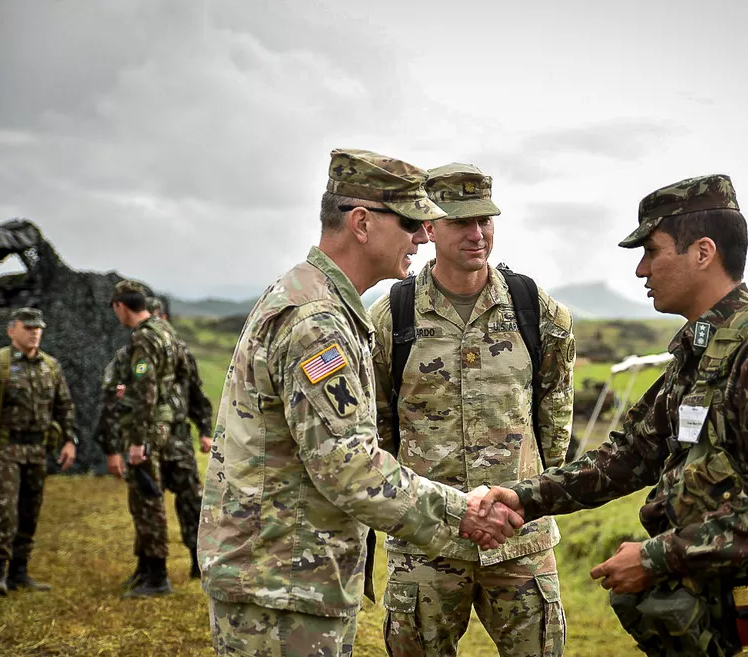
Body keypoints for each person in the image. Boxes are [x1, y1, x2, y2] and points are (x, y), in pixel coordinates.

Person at [476, 174, 748, 656]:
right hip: (707, 621)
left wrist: (653, 558)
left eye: (652, 251)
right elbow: (627, 455)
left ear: (703, 252)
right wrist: (526, 498)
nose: (641, 270)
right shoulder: (703, 354)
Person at [198, 148, 525, 657]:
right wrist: (462, 513)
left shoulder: (320, 302)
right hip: (283, 584)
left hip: (287, 572)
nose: (423, 236)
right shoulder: (317, 323)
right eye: (413, 221)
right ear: (362, 223)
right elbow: (351, 468)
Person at [369, 163, 575, 656]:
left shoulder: (534, 308)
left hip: (519, 534)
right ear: (429, 227)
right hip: (427, 538)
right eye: (461, 221)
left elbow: (555, 414)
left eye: (485, 219)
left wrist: (536, 496)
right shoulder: (391, 316)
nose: (477, 233)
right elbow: (377, 429)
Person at [0, 307, 77, 594]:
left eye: (38, 328)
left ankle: (20, 571)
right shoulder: (2, 363)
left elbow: (64, 405)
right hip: (6, 448)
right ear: (11, 331)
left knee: (30, 511)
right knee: (4, 511)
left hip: (37, 449)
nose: (34, 332)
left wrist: (69, 440)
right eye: (27, 327)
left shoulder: (50, 366)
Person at [109, 280, 179, 598]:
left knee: (148, 500)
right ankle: (145, 568)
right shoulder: (163, 330)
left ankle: (157, 577)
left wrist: (137, 441)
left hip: (147, 428)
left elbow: (147, 389)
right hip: (161, 422)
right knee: (141, 497)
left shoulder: (143, 337)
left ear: (121, 306)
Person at [147, 297, 213, 579]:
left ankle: (199, 562)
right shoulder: (137, 351)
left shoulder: (181, 352)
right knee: (149, 500)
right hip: (150, 439)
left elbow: (196, 393)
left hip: (178, 440)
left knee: (191, 500)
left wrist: (205, 430)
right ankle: (152, 567)